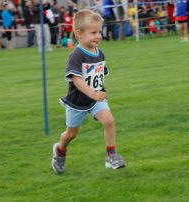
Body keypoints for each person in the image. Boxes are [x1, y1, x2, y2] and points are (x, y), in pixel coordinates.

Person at [51, 9, 126, 174]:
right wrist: (92, 93)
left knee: (109, 121)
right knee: (71, 134)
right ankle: (60, 151)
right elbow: (77, 80)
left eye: (100, 31)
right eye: (93, 32)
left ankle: (111, 155)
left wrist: (97, 94)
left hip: (96, 99)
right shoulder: (76, 55)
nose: (98, 36)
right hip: (77, 101)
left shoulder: (100, 53)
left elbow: (99, 74)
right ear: (79, 34)